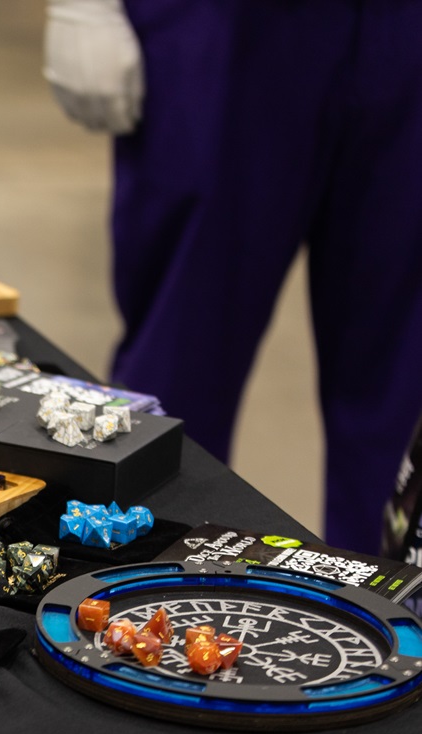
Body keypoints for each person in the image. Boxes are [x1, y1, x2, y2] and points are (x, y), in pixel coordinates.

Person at [44, 0, 422, 554]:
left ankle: (392, 620)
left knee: (402, 388)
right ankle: (143, 606)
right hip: (221, 27)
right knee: (180, 369)